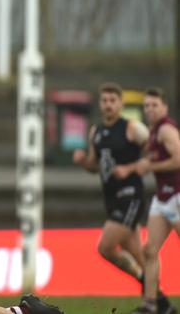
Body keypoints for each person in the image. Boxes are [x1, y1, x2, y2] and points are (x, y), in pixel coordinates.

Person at [72, 83, 150, 290]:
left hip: (131, 195)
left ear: (121, 103)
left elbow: (154, 155)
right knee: (136, 252)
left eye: (112, 101)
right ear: (100, 104)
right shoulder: (96, 131)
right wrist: (83, 162)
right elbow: (95, 166)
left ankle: (145, 282)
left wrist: (130, 168)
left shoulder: (132, 128)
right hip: (112, 198)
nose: (108, 105)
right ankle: (155, 295)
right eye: (104, 101)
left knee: (105, 247)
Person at [130, 87, 180, 314]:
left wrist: (150, 166)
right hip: (162, 198)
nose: (150, 109)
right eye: (147, 105)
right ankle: (151, 304)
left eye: (154, 105)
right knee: (150, 250)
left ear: (164, 107)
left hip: (177, 196)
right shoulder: (153, 131)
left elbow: (178, 159)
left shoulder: (166, 129)